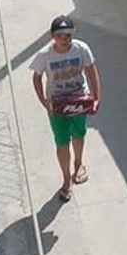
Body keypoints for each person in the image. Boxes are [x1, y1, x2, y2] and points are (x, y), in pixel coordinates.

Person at [31, 14, 101, 201]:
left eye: (68, 35)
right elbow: (36, 78)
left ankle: (78, 164)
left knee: (79, 134)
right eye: (60, 35)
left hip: (78, 97)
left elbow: (92, 72)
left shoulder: (81, 48)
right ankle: (66, 179)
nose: (65, 39)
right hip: (57, 103)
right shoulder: (44, 55)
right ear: (52, 36)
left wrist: (96, 98)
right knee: (61, 141)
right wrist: (44, 102)